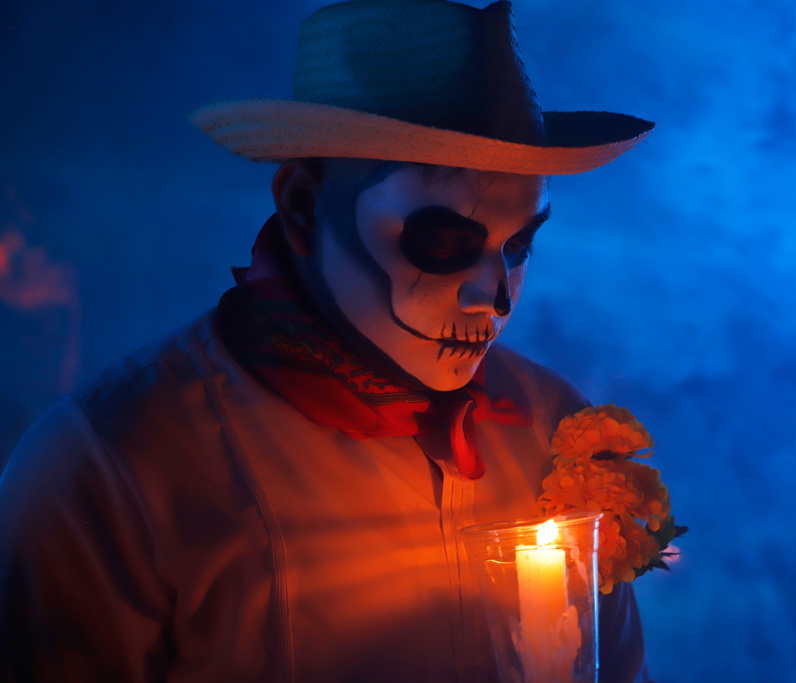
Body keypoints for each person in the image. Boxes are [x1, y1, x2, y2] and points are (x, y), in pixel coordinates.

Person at [0, 0, 654, 680]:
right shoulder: (114, 466)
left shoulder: (559, 432)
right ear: (305, 203)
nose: (493, 293)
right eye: (443, 240)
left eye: (518, 244)